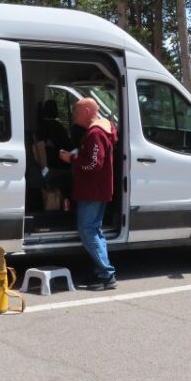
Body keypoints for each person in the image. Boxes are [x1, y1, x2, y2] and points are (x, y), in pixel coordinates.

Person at [59, 97, 118, 290]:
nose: (74, 116)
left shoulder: (95, 133)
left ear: (86, 110)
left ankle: (107, 274)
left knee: (88, 230)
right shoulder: (102, 130)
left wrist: (72, 158)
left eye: (76, 111)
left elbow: (94, 163)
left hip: (92, 190)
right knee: (95, 230)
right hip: (98, 189)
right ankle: (102, 272)